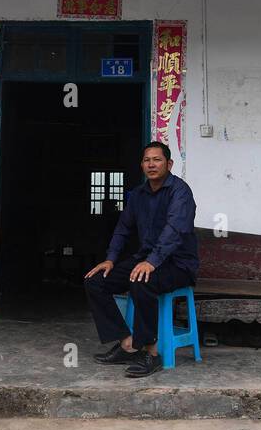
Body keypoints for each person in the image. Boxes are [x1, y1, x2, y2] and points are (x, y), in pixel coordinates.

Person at [84, 142, 198, 378]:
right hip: (146, 259)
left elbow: (174, 230)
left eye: (157, 159)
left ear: (169, 163)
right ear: (142, 165)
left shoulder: (180, 192)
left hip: (178, 264)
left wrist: (152, 262)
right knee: (95, 281)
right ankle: (128, 343)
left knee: (141, 281)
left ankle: (151, 353)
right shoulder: (137, 195)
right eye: (147, 160)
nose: (151, 164)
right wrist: (111, 259)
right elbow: (123, 228)